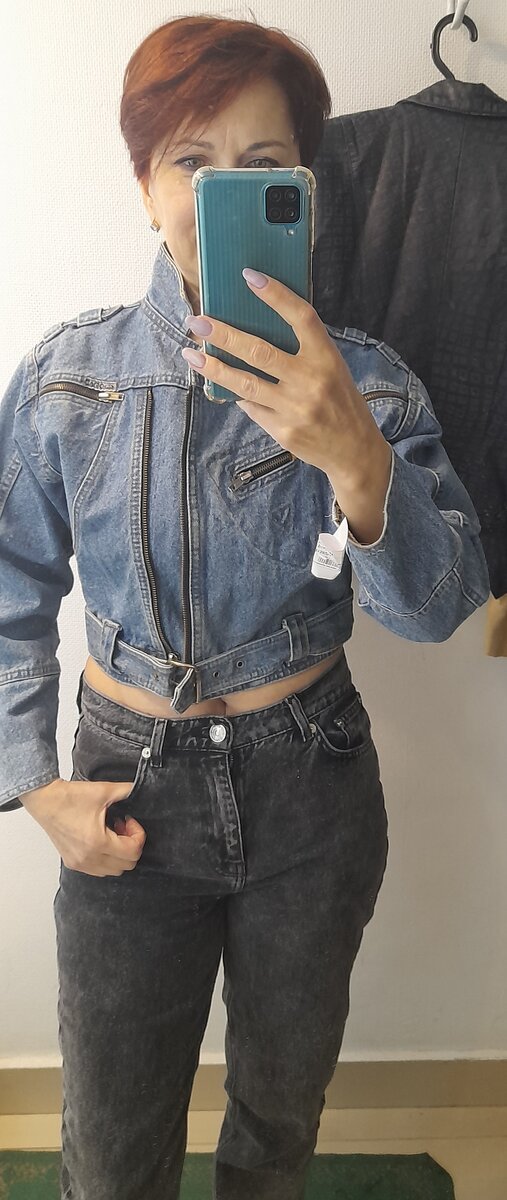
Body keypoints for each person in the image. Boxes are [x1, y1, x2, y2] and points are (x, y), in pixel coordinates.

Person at [0, 15, 490, 1200]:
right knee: (110, 1149)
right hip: (125, 796)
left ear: (305, 198)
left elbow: (438, 609)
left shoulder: (369, 385)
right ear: (144, 187)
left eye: (265, 169)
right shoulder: (68, 381)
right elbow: (8, 585)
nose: (224, 192)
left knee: (277, 1126)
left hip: (311, 791)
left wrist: (358, 460)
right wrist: (30, 781)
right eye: (193, 163)